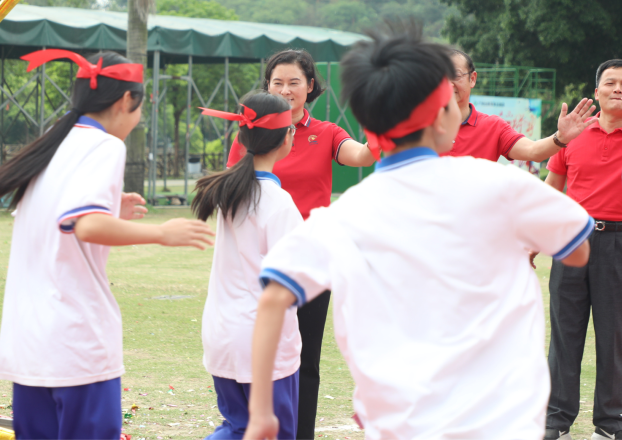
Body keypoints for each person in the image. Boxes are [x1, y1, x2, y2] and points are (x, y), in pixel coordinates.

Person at [241, 30, 593, 440]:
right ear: (444, 116)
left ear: (369, 126)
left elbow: (273, 298)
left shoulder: (345, 214)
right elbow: (578, 250)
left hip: (399, 423)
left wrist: (262, 413)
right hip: (501, 419)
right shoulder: (498, 185)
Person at [0, 49, 215, 440]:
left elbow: (59, 225)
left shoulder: (52, 147)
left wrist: (112, 214)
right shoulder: (105, 146)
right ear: (127, 100)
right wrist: (162, 233)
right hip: (75, 344)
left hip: (28, 345)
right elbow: (88, 227)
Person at [226, 48, 376, 439]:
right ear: (267, 86)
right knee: (253, 355)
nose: (286, 89)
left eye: (295, 82)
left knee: (303, 360)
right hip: (254, 262)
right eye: (278, 82)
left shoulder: (325, 133)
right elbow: (229, 188)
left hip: (309, 264)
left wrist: (380, 128)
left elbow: (360, 155)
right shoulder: (250, 132)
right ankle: (250, 425)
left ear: (310, 87)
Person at [541, 60, 622, 440]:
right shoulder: (573, 134)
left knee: (615, 333)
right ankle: (557, 419)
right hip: (571, 239)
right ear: (596, 91)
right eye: (610, 83)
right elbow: (552, 185)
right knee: (565, 332)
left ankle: (611, 421)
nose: (617, 89)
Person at [194, 93, 302, 439]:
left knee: (238, 427)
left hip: (222, 334)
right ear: (288, 138)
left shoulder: (230, 191)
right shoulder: (278, 203)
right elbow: (294, 277)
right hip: (262, 343)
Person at [444, 48, 597, 162]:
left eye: (456, 75)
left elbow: (533, 151)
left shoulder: (493, 127)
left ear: (472, 79)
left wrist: (561, 137)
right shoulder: (422, 126)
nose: (449, 83)